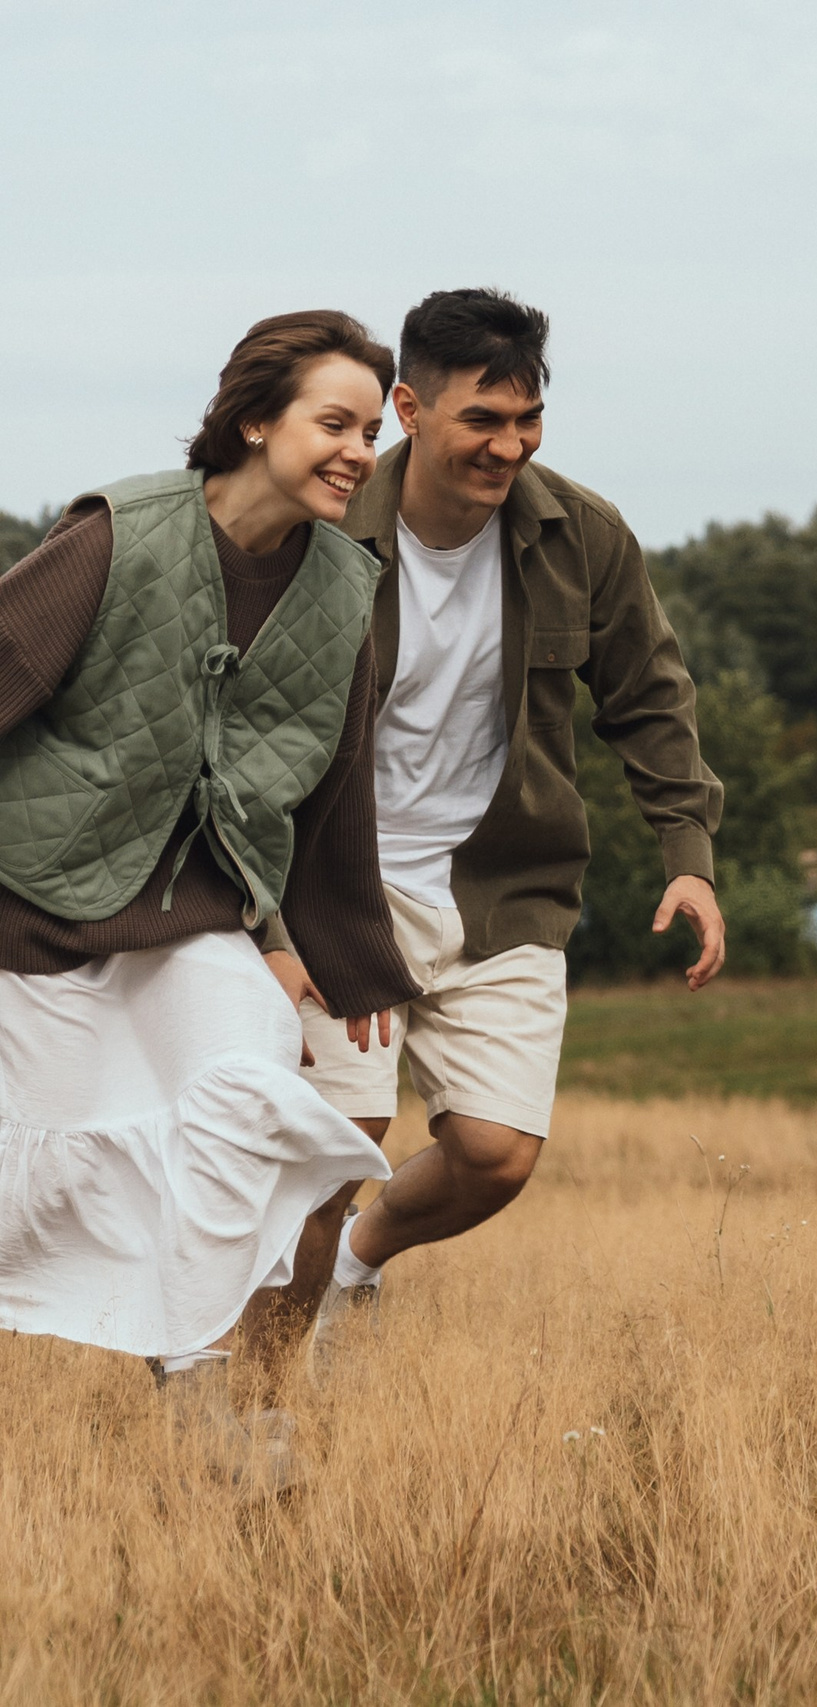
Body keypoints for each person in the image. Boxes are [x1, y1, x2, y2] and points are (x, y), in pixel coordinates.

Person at [252, 289, 725, 1359]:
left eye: (528, 418)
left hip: (503, 888)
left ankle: (360, 1267)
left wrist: (687, 859)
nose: (508, 445)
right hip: (337, 885)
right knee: (335, 1149)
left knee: (496, 1155)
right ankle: (265, 1403)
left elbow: (651, 700)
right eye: (482, 420)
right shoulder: (318, 529)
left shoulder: (583, 536)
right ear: (410, 410)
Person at [0, 310, 417, 1482]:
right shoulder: (117, 536)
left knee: (243, 1089)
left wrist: (352, 952)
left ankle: (199, 1387)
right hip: (33, 903)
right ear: (252, 420)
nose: (356, 450)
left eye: (369, 431)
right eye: (332, 422)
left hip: (192, 912)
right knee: (46, 1157)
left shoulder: (347, 586)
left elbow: (339, 784)